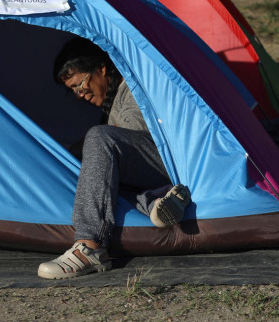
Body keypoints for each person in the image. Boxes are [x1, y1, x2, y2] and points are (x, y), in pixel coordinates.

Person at [38, 37, 191, 279]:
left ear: (101, 68)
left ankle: (90, 245)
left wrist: (91, 147)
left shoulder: (132, 87)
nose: (79, 95)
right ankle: (154, 202)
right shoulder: (110, 103)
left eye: (80, 85)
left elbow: (132, 135)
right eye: (73, 91)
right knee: (96, 170)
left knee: (99, 139)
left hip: (167, 159)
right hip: (146, 166)